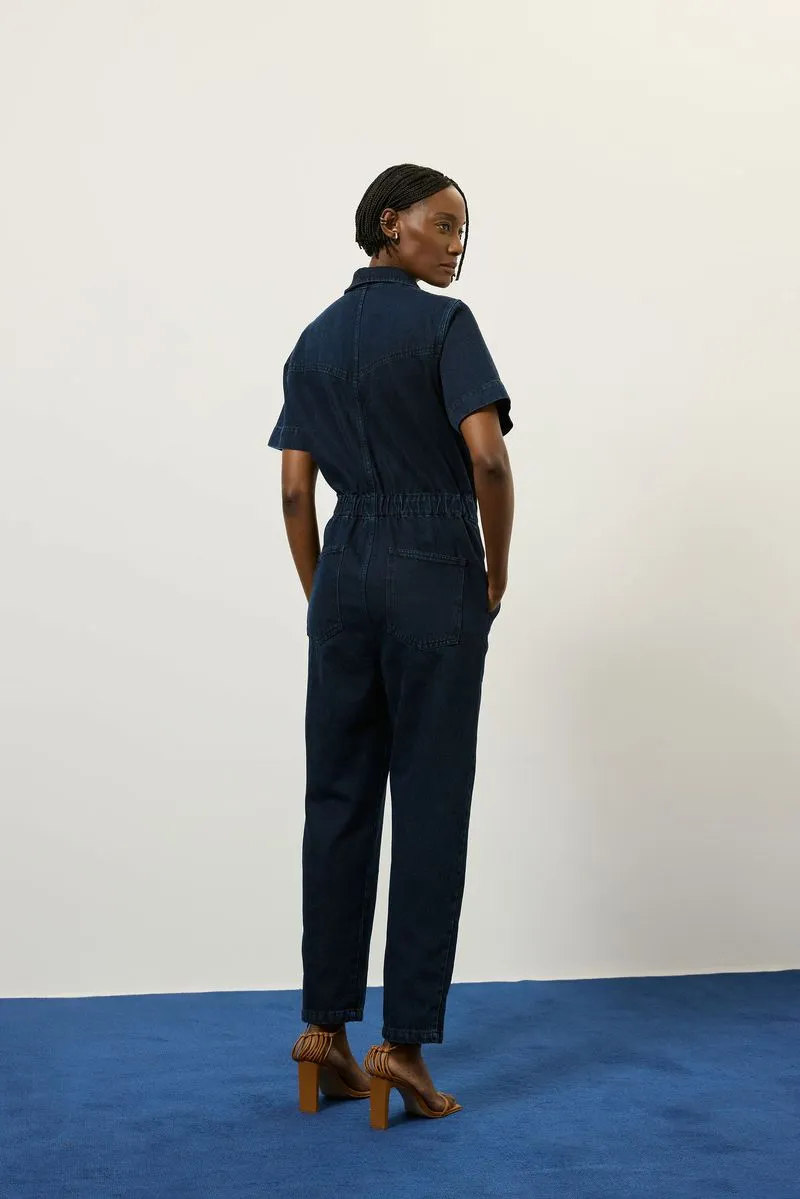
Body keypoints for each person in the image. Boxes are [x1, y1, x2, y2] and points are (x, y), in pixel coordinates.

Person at [268, 163, 515, 1128]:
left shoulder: (312, 340)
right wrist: (495, 571)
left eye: (463, 229)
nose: (457, 244)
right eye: (443, 225)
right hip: (435, 567)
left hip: (345, 570)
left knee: (336, 798)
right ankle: (402, 1046)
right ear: (389, 223)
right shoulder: (446, 327)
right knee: (429, 802)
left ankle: (323, 1031)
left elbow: (296, 491)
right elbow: (487, 457)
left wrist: (323, 591)